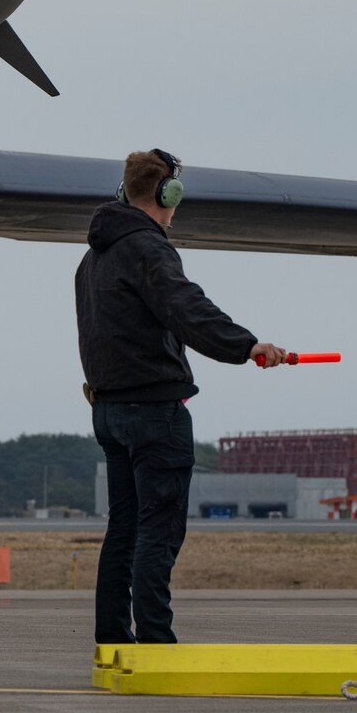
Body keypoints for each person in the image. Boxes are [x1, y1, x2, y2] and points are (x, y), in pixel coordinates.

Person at [76, 148, 291, 645]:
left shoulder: (92, 258)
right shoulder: (147, 248)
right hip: (155, 413)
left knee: (124, 529)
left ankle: (113, 639)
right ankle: (156, 642)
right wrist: (247, 345)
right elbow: (186, 307)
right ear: (166, 194)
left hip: (109, 411)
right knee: (159, 530)